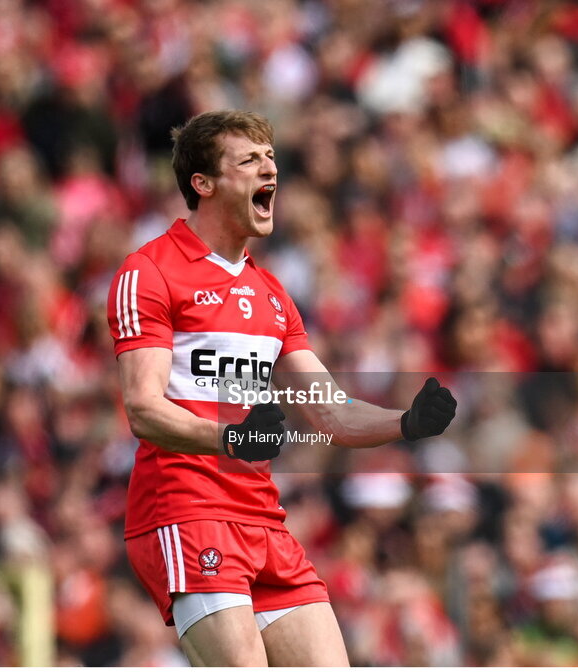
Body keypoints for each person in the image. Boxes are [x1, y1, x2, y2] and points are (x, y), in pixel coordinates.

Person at [107, 110, 457, 666]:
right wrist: (232, 440)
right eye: (249, 160)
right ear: (203, 184)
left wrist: (405, 422)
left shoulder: (271, 294)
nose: (269, 167)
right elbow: (144, 410)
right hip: (186, 509)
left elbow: (331, 413)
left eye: (271, 157)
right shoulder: (150, 271)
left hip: (262, 519)